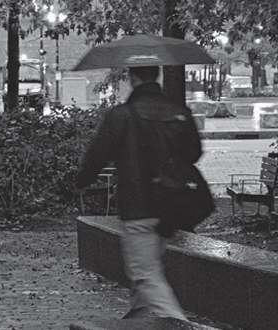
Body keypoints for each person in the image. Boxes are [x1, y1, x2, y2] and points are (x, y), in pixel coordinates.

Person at [75, 66, 201, 320]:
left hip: (138, 207)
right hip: (171, 207)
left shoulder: (122, 115)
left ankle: (179, 324)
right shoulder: (179, 112)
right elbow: (194, 152)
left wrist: (82, 181)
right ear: (157, 76)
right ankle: (138, 321)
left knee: (145, 274)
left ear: (133, 78)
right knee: (147, 268)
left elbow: (98, 155)